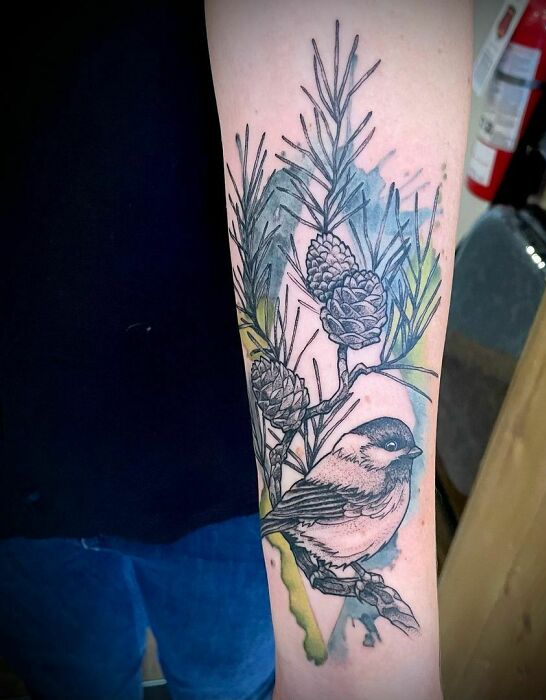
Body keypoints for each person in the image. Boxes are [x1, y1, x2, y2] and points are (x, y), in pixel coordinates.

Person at [0, 1, 472, 698]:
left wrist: (356, 678)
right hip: (17, 476)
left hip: (223, 476)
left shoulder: (357, 450)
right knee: (72, 680)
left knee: (223, 683)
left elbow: (345, 28)